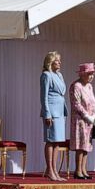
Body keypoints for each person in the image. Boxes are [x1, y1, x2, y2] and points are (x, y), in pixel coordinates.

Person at [40, 51, 68, 181]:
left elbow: (62, 92)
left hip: (61, 111)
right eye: (57, 60)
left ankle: (54, 169)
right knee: (50, 141)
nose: (60, 62)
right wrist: (47, 114)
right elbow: (43, 96)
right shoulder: (46, 75)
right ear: (51, 62)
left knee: (57, 142)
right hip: (51, 112)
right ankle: (50, 170)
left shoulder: (60, 75)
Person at [68, 63, 95, 180]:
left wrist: (93, 115)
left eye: (93, 74)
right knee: (80, 145)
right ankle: (78, 170)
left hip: (89, 120)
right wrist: (86, 115)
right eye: (89, 74)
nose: (91, 77)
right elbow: (76, 104)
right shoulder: (76, 86)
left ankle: (84, 169)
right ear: (83, 74)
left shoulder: (89, 86)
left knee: (87, 145)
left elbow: (93, 101)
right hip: (79, 119)